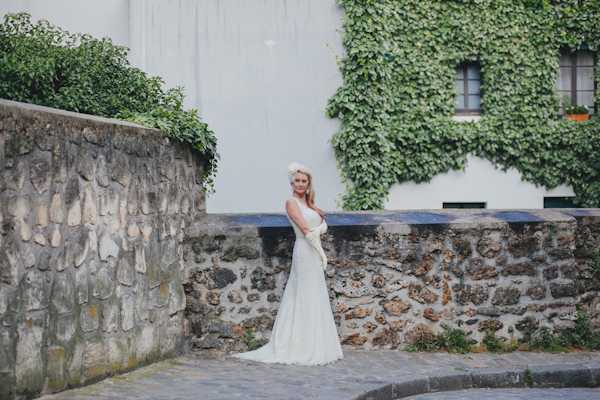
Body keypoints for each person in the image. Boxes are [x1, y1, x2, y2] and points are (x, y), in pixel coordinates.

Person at [233, 163, 343, 365]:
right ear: (292, 182)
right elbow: (306, 230)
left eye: (304, 181)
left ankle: (320, 345)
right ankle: (300, 347)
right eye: (297, 181)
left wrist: (320, 233)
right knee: (303, 294)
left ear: (309, 183)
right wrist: (322, 253)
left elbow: (322, 223)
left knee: (316, 294)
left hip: (314, 252)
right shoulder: (291, 202)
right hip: (305, 250)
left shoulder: (310, 203)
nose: (300, 184)